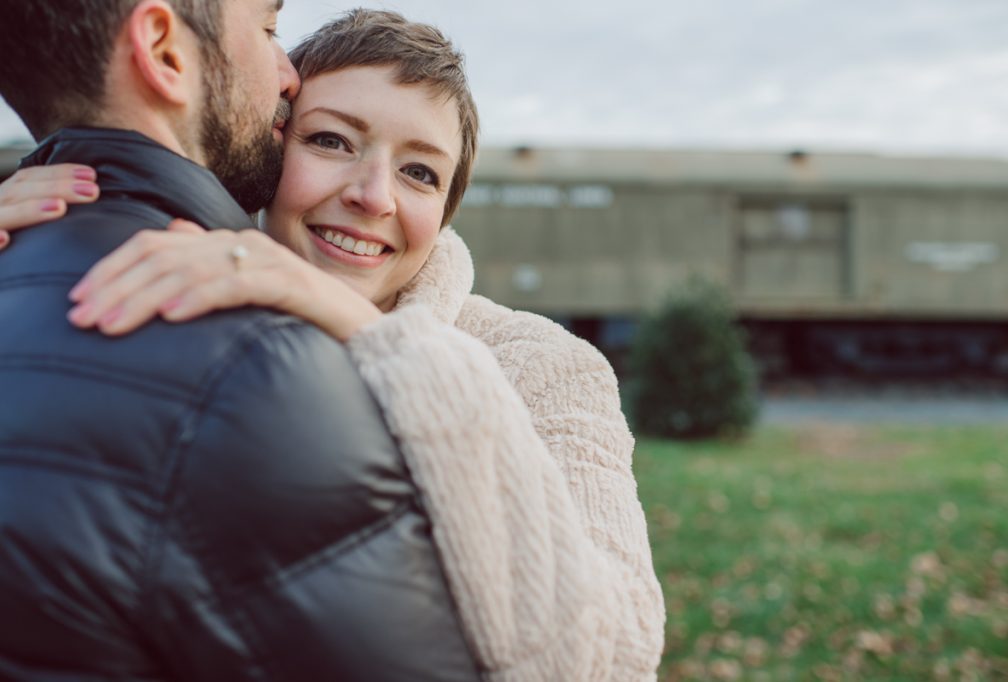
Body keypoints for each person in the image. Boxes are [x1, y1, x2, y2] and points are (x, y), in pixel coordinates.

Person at [0, 8, 666, 681]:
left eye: (421, 174)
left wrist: (379, 340)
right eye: (332, 142)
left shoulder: (538, 365)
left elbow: (620, 657)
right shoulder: (174, 304)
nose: (374, 196)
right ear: (268, 149)